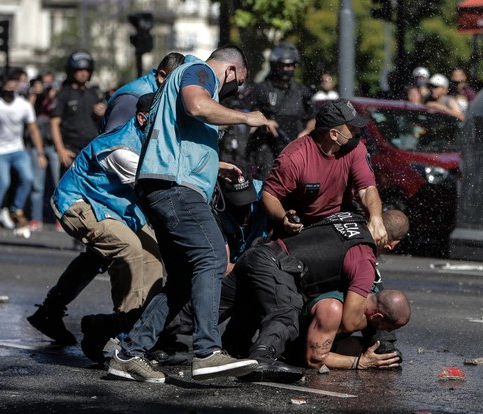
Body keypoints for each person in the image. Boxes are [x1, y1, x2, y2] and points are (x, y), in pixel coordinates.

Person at [107, 45, 277, 383]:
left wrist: (215, 166)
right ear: (231, 70)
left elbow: (179, 139)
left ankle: (129, 354)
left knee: (184, 280)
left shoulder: (188, 78)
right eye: (238, 82)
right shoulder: (198, 71)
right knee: (213, 257)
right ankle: (207, 352)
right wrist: (247, 116)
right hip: (174, 188)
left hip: (165, 185)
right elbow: (197, 106)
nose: (235, 91)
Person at [27, 94, 163, 350]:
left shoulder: (154, 129)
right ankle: (124, 332)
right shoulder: (124, 147)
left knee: (152, 254)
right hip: (79, 202)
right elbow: (156, 188)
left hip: (115, 205)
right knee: (129, 249)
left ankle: (145, 328)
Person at [223, 209, 409, 382]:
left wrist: (385, 348)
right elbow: (348, 325)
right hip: (275, 265)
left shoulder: (352, 218)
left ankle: (225, 347)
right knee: (285, 313)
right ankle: (261, 358)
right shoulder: (361, 265)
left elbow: (384, 305)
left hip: (263, 254)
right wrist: (360, 363)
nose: (384, 330)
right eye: (385, 327)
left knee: (204, 313)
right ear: (394, 244)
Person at [261, 98, 388, 246]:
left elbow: (366, 189)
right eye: (353, 128)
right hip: (303, 227)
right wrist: (284, 218)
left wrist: (376, 218)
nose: (358, 132)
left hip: (341, 222)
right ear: (334, 134)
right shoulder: (294, 157)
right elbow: (269, 195)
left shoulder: (356, 149)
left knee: (393, 226)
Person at [0, 71, 47, 229]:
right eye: (8, 84)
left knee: (28, 178)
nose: (11, 87)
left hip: (18, 149)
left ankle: (16, 210)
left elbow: (33, 129)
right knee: (3, 182)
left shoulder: (24, 105)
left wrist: (40, 153)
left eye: (14, 84)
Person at [244, 42, 316, 179]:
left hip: (295, 149)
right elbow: (243, 111)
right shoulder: (262, 89)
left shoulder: (302, 91)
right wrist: (265, 122)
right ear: (275, 65)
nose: (286, 69)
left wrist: (306, 133)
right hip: (266, 149)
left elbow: (313, 118)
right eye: (283, 65)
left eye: (290, 65)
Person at [100, 52, 185, 133]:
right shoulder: (132, 99)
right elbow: (113, 142)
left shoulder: (160, 95)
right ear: (162, 76)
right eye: (179, 84)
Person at [50, 51, 106, 173]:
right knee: (69, 191)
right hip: (71, 150)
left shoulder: (94, 93)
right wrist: (61, 150)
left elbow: (104, 122)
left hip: (92, 150)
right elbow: (54, 123)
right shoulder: (63, 94)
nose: (83, 73)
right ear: (72, 71)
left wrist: (103, 114)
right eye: (79, 70)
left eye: (86, 70)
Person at [26, 74, 58, 231]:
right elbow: (27, 115)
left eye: (48, 84)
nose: (45, 88)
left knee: (58, 184)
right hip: (37, 147)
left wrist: (53, 97)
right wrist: (34, 96)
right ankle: (36, 218)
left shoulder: (56, 99)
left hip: (53, 147)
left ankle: (60, 219)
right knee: (37, 185)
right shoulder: (34, 101)